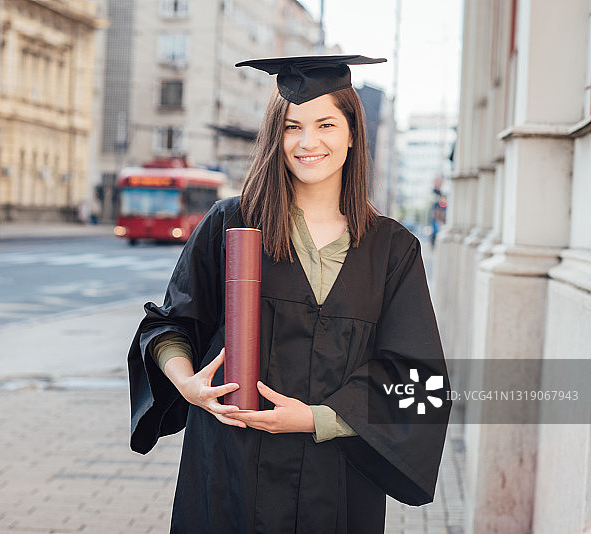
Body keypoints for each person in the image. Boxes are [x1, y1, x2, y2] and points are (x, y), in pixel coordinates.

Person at [127, 55, 451, 533]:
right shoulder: (232, 223)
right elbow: (170, 325)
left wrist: (317, 418)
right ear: (274, 138)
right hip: (231, 468)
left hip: (337, 479)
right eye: (292, 127)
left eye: (325, 125)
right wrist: (187, 383)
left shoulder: (391, 248)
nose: (307, 142)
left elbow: (418, 378)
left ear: (352, 134)